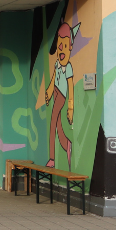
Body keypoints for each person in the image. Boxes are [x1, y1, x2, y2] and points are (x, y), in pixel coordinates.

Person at [45, 21, 80, 170]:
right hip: (55, 93)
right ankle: (67, 145)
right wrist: (48, 91)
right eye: (60, 44)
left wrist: (70, 107)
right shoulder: (57, 64)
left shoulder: (69, 67)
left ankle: (52, 159)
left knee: (53, 122)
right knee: (59, 127)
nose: (61, 49)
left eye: (64, 45)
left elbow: (71, 87)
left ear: (70, 47)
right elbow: (53, 79)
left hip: (62, 96)